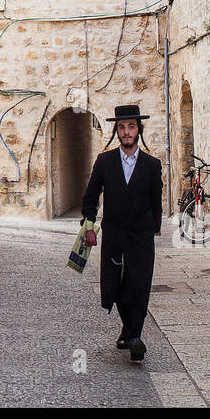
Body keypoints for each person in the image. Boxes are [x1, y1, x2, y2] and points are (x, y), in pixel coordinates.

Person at [80, 104, 163, 363]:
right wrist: (89, 225)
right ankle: (129, 332)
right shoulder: (105, 161)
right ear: (116, 131)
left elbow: (155, 199)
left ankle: (135, 336)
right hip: (114, 232)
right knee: (115, 282)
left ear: (139, 130)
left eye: (131, 126)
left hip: (141, 233)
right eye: (122, 127)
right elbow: (91, 196)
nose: (126, 132)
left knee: (139, 281)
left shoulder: (152, 165)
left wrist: (156, 227)